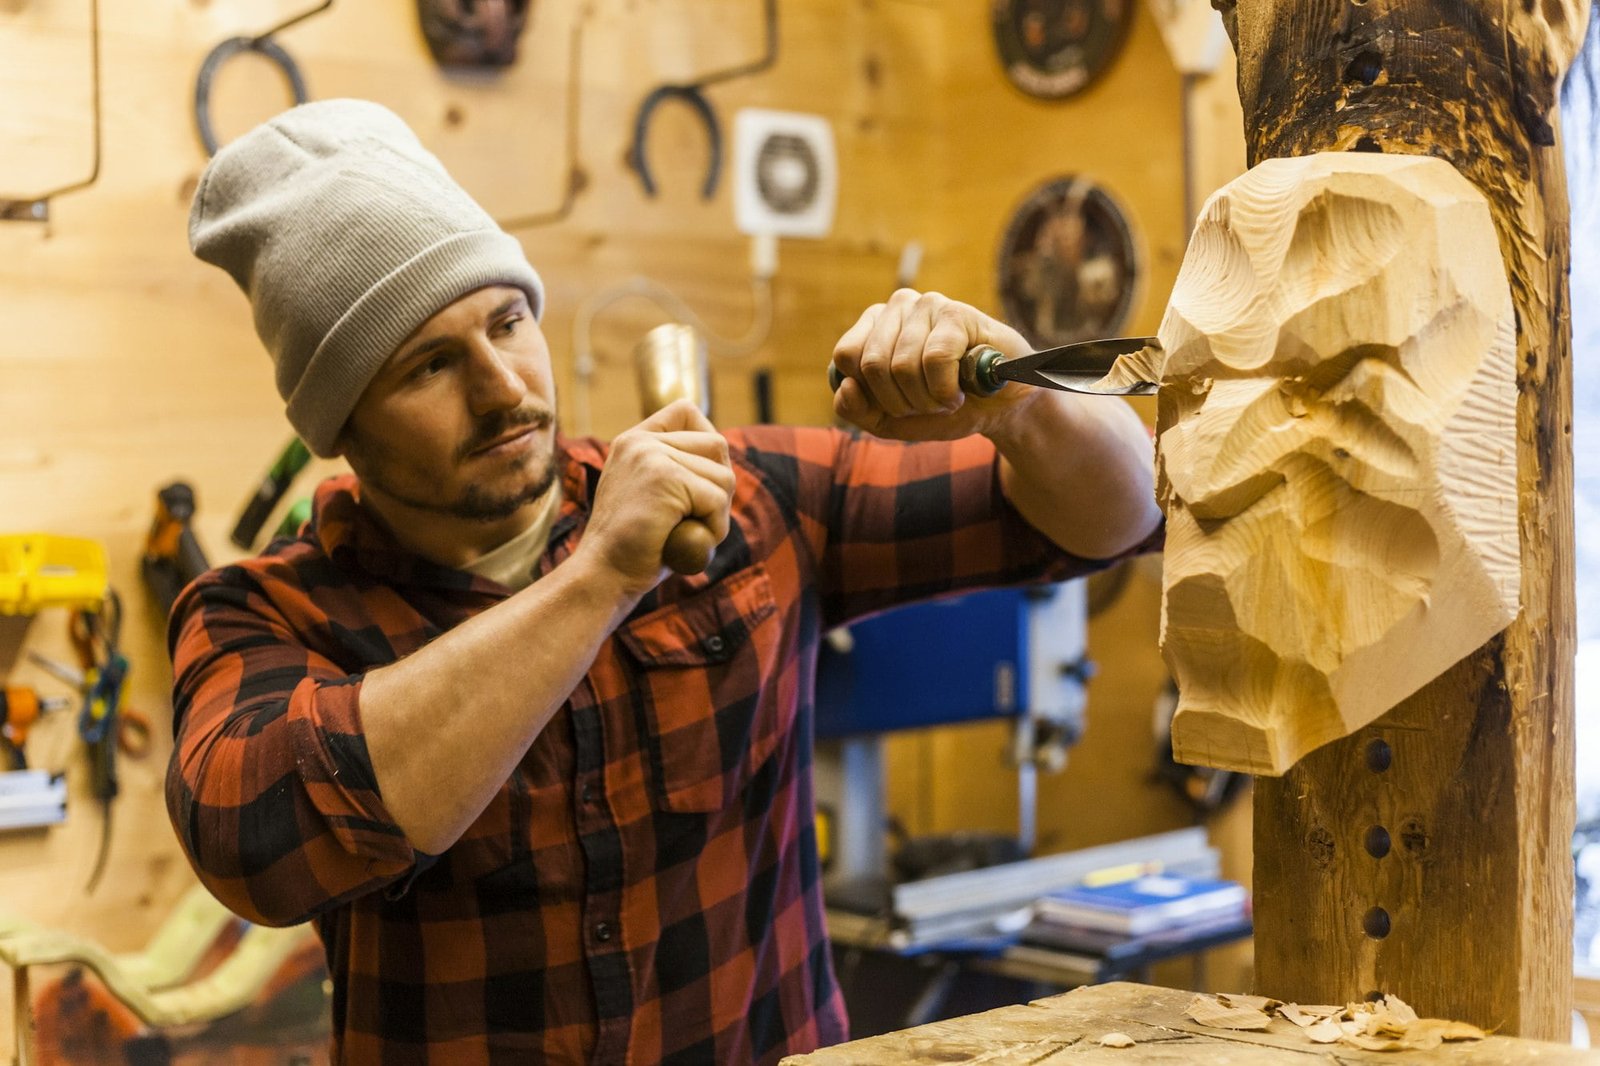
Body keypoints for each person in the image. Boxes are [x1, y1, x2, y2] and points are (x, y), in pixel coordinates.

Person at [167, 99, 1160, 1065]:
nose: (504, 386)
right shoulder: (265, 613)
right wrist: (601, 572)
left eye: (508, 321)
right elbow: (257, 846)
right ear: (339, 423)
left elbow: (1119, 515)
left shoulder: (752, 498)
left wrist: (1018, 397)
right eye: (428, 365)